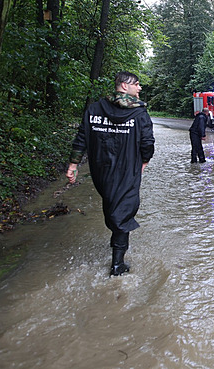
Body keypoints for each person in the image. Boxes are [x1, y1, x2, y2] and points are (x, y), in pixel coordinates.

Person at [66, 71, 155, 276]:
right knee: (122, 212)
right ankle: (117, 265)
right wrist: (144, 160)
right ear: (124, 86)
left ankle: (116, 252)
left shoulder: (94, 109)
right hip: (127, 171)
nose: (139, 88)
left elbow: (82, 138)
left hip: (101, 171)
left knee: (114, 208)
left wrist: (73, 164)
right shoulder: (139, 113)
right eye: (137, 84)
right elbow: (148, 142)